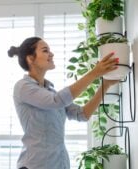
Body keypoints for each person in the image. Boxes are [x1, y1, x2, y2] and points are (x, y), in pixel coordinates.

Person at [7, 37, 119, 169]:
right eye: (45, 50)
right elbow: (57, 101)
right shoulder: (23, 87)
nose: (51, 54)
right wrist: (94, 73)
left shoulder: (51, 92)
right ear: (30, 58)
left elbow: (82, 114)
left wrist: (105, 86)